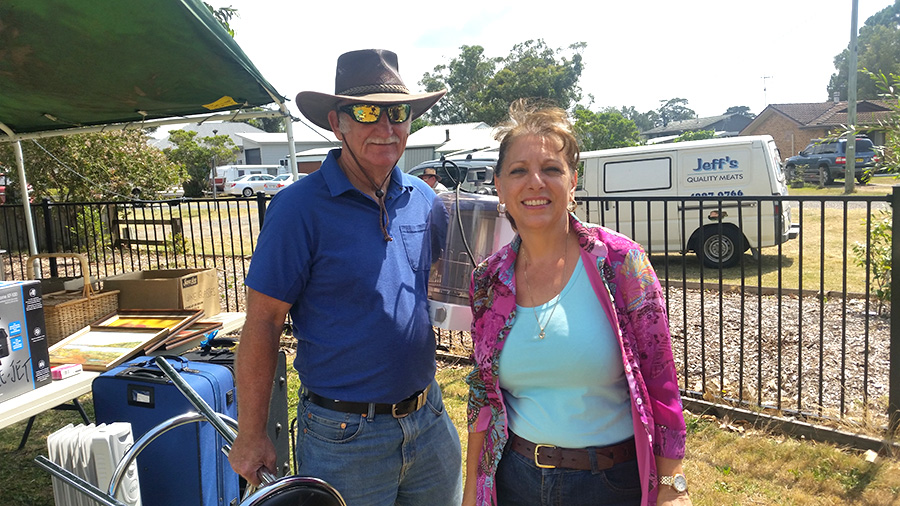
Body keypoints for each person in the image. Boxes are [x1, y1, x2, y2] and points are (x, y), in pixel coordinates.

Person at [229, 49, 462, 506]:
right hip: (345, 436)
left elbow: (448, 287)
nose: (386, 126)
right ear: (338, 123)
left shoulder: (423, 198)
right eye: (368, 111)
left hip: (429, 419)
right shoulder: (298, 209)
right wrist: (251, 433)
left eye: (397, 112)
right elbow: (262, 323)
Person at [463, 99, 692, 506]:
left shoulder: (620, 262)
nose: (535, 182)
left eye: (551, 169)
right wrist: (471, 495)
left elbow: (661, 381)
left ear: (572, 183)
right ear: (499, 187)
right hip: (515, 481)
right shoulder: (488, 282)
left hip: (610, 485)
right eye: (518, 171)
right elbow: (483, 397)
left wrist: (673, 487)